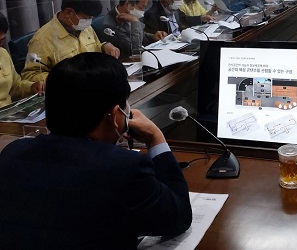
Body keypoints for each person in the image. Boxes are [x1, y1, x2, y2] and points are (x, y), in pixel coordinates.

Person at [0, 52, 192, 249]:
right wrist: (155, 137)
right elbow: (178, 216)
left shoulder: (12, 154)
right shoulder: (124, 169)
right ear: (116, 116)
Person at [21, 0, 120, 82]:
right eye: (86, 18)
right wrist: (64, 78)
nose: (89, 22)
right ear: (69, 12)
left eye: (91, 18)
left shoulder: (83, 27)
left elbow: (96, 46)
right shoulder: (42, 39)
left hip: (93, 81)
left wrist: (104, 47)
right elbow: (30, 76)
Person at [102, 0, 167, 58]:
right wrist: (134, 21)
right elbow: (135, 50)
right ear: (127, 4)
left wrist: (153, 37)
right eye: (141, 7)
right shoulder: (109, 25)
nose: (143, 11)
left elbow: (139, 35)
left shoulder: (128, 15)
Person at [0, 13, 44, 107]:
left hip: (8, 113)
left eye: (1, 41)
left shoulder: (3, 53)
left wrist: (31, 87)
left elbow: (15, 86)